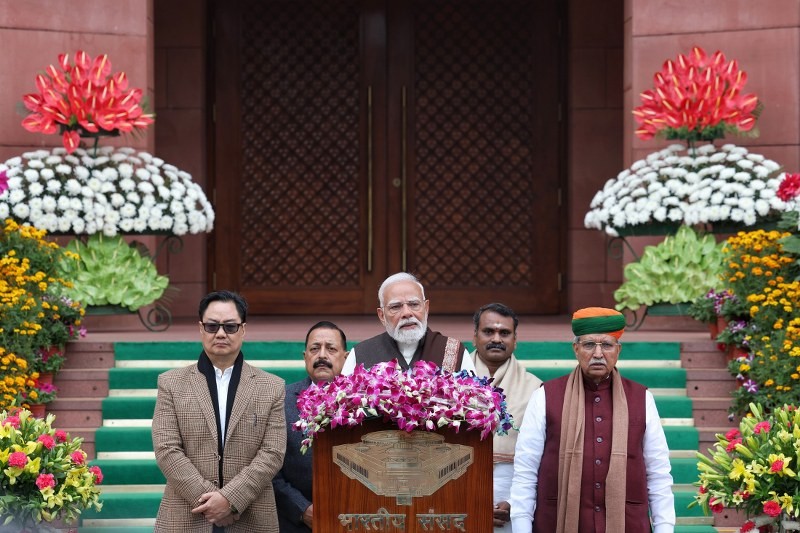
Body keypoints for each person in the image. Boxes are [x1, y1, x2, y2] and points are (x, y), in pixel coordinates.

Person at [509, 307, 675, 533]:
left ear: (618, 350)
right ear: (576, 349)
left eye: (606, 345)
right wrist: (521, 527)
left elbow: (658, 472)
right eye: (589, 345)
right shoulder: (545, 396)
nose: (598, 353)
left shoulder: (641, 398)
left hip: (628, 524)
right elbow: (526, 470)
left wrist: (664, 527)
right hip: (557, 523)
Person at [152, 290, 287, 532]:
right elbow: (166, 449)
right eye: (212, 326)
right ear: (201, 329)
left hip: (251, 516)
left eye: (230, 326)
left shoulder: (272, 386)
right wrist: (210, 503)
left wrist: (231, 501)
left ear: (243, 330)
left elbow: (273, 453)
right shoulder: (171, 383)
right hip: (187, 516)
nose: (221, 333)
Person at [470, 303, 542, 532]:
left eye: (505, 333)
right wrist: (471, 505)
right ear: (475, 337)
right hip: (459, 491)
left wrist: (514, 503)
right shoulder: (451, 382)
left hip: (513, 499)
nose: (497, 339)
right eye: (488, 331)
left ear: (515, 339)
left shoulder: (535, 388)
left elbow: (544, 455)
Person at [272, 321, 348, 532]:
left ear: (346, 356)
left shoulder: (365, 401)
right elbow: (269, 467)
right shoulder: (280, 401)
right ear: (305, 356)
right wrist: (302, 509)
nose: (322, 355)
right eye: (315, 348)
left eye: (331, 348)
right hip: (297, 522)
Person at [341, 272, 475, 374]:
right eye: (396, 307)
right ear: (382, 315)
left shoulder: (453, 351)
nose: (407, 313)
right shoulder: (361, 354)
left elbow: (473, 403)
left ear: (426, 308)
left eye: (414, 304)